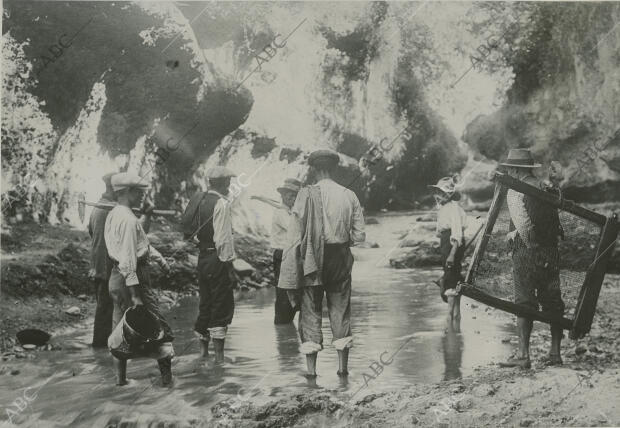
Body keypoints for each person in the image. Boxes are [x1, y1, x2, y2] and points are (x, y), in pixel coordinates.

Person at [285, 149, 366, 378]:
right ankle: (342, 369)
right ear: (334, 168)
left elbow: (293, 237)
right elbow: (359, 237)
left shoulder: (305, 195)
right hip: (339, 256)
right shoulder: (349, 195)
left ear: (314, 169)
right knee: (340, 307)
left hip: (312, 257)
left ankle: (311, 373)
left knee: (309, 308)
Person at [104, 172, 174, 386]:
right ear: (126, 192)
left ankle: (121, 382)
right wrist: (136, 295)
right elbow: (128, 258)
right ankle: (167, 382)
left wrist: (160, 259)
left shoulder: (115, 214)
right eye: (140, 192)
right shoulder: (127, 219)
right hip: (133, 279)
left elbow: (139, 243)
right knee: (157, 328)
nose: (144, 196)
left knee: (120, 332)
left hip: (117, 278)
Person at [499, 149, 565, 369]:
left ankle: (523, 354)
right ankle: (555, 353)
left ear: (516, 170)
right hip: (551, 251)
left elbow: (526, 225)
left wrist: (517, 238)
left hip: (528, 253)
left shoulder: (515, 191)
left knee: (524, 301)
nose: (507, 171)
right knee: (553, 301)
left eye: (509, 168)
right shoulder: (544, 187)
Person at [183, 166, 237, 362]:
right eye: (229, 182)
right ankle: (220, 359)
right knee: (220, 305)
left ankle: (203, 353)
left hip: (203, 257)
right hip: (217, 258)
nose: (230, 185)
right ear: (222, 183)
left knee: (205, 303)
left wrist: (202, 244)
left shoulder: (200, 200)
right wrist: (230, 267)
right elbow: (223, 240)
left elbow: (189, 232)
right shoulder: (221, 203)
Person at [252, 178, 302, 324]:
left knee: (292, 291)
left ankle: (285, 331)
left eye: (295, 196)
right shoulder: (281, 214)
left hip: (291, 255)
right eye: (290, 195)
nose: (293, 198)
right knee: (284, 294)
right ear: (284, 196)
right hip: (282, 255)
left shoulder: (289, 211)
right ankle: (282, 327)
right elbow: (295, 229)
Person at [429, 176, 467, 324]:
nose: (437, 196)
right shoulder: (444, 208)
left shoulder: (453, 208)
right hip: (446, 242)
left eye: (441, 193)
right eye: (437, 193)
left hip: (452, 243)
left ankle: (449, 317)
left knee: (451, 277)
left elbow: (457, 232)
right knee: (452, 275)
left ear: (448, 194)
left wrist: (452, 254)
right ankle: (456, 317)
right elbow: (440, 231)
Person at [87, 173, 115, 348]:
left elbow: (90, 231)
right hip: (107, 266)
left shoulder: (97, 207)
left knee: (104, 308)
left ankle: (102, 351)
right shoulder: (111, 209)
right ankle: (100, 348)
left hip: (97, 265)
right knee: (105, 310)